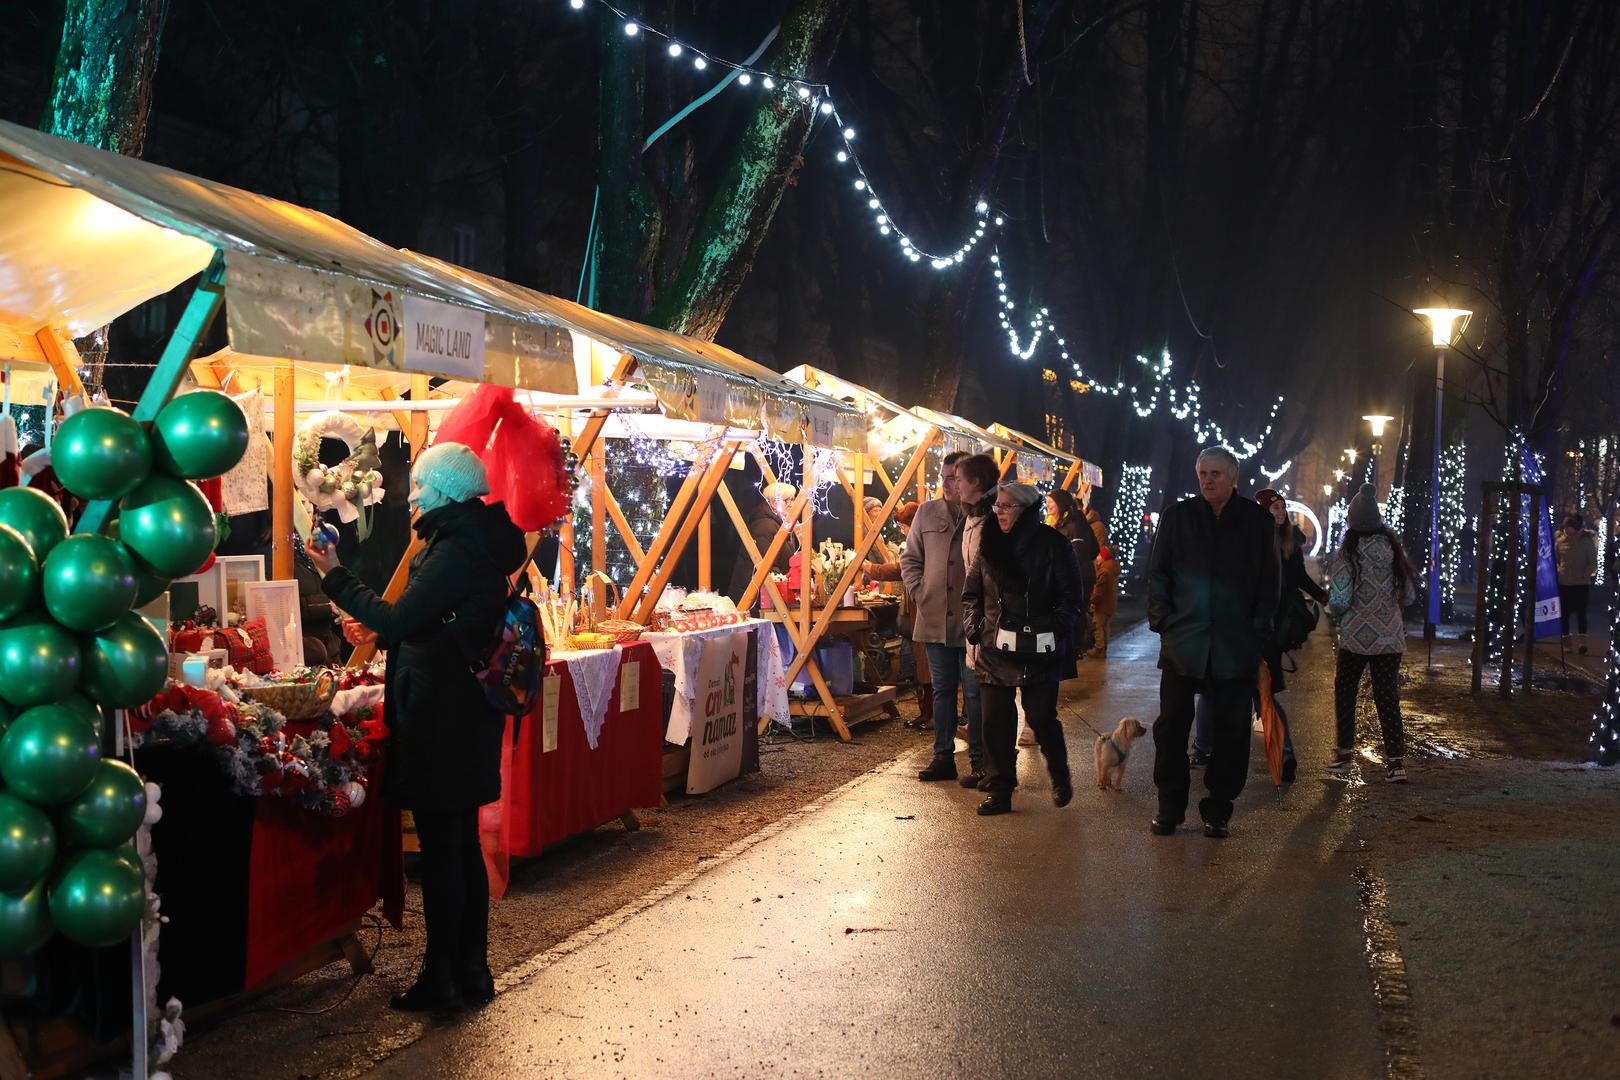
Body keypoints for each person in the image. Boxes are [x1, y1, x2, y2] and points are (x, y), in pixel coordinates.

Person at [305, 442, 527, 1011]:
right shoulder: (468, 541)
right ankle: (469, 972)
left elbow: (404, 617)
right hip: (461, 714)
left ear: (447, 490)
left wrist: (334, 574)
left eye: (423, 484)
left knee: (444, 850)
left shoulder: (455, 547)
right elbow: (425, 622)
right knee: (458, 848)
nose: (413, 495)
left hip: (443, 720)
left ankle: (444, 978)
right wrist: (381, 629)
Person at [1146, 446, 1279, 839]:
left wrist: (1257, 631)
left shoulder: (1256, 523)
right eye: (1202, 472)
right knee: (1171, 728)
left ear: (1233, 477)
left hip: (1234, 645)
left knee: (1232, 731)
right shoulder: (1178, 518)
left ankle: (1218, 808)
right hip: (1183, 642)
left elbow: (1268, 582)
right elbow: (1159, 573)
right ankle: (1169, 807)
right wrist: (1164, 621)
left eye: (1216, 473)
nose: (1207, 480)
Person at [963, 483, 1083, 815]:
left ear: (1027, 509)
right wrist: (975, 628)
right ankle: (1000, 790)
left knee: (1042, 717)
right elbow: (971, 594)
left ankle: (1059, 773)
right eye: (997, 506)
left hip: (1040, 646)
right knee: (996, 723)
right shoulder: (988, 544)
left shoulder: (1054, 545)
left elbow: (1072, 599)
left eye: (1007, 506)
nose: (998, 511)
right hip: (994, 645)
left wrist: (1054, 628)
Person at [901, 451, 984, 782]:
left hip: (972, 622)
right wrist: (920, 592)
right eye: (945, 476)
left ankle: (979, 758)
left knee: (975, 690)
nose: (949, 483)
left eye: (955, 477)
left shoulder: (981, 514)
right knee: (942, 690)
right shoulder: (927, 512)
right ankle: (942, 757)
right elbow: (910, 560)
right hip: (934, 618)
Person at [1326, 484, 1416, 783]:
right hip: (1390, 638)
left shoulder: (1348, 554)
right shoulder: (1393, 550)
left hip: (1355, 638)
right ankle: (1395, 762)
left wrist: (1335, 614)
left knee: (1346, 692)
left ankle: (1344, 754)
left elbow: (1339, 600)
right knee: (1387, 696)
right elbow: (1409, 596)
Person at [953, 453, 1000, 782]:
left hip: (992, 622)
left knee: (993, 698)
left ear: (977, 482)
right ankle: (982, 762)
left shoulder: (996, 517)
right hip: (975, 619)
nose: (954, 484)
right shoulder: (970, 517)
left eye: (960, 478)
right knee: (977, 695)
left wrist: (985, 616)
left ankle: (994, 767)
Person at [1047, 489, 1100, 657]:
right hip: (1071, 575)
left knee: (1074, 611)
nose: (1048, 506)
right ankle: (1072, 648)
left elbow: (1080, 553)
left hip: (1079, 577)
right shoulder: (1061, 522)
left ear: (1061, 504)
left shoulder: (1074, 525)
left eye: (1051, 502)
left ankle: (1073, 649)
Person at [726, 480, 797, 603]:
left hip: (762, 596)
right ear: (774, 502)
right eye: (786, 500)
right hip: (755, 599)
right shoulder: (765, 526)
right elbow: (766, 565)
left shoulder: (781, 525)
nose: (791, 504)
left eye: (793, 499)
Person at [1556, 513, 1598, 655]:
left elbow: (1592, 562)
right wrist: (1559, 570)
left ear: (1575, 527)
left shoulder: (1586, 541)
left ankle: (1582, 643)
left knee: (1581, 613)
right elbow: (1556, 560)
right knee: (1565, 615)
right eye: (1565, 527)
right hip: (1564, 583)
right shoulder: (1560, 541)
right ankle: (1567, 645)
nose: (1566, 529)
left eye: (1569, 527)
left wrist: (1585, 574)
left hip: (1581, 584)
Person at [1090, 541, 1120, 657]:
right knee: (1106, 626)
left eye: (1099, 555)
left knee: (1097, 625)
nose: (1097, 558)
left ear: (1104, 557)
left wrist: (1092, 601)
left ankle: (1099, 648)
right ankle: (1104, 648)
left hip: (1103, 604)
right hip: (1111, 604)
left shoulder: (1104, 571)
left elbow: (1099, 591)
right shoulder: (1113, 568)